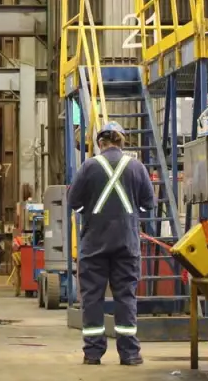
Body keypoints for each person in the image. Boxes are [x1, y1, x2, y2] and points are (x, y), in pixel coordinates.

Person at [66, 121, 154, 367]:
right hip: (126, 243)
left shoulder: (88, 167)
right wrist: (129, 214)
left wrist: (92, 213)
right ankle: (129, 354)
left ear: (100, 143)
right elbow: (149, 204)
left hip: (94, 243)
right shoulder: (137, 167)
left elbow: (73, 203)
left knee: (92, 298)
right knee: (126, 297)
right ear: (122, 142)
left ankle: (93, 353)